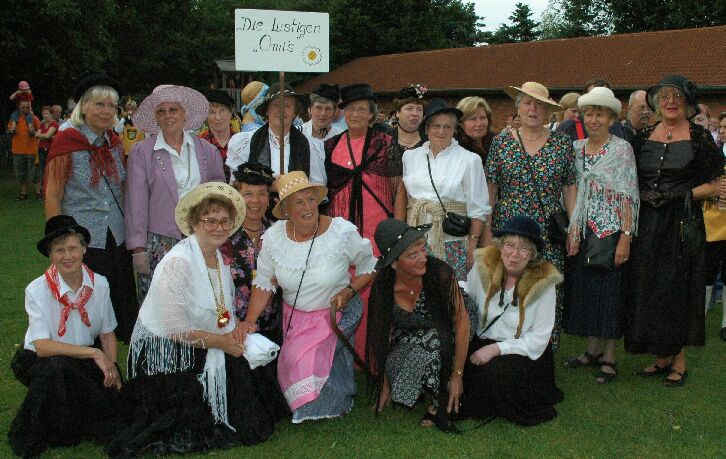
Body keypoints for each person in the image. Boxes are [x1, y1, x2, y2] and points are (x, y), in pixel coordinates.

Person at [106, 182, 283, 457]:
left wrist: (235, 330)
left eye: (225, 221)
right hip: (169, 350)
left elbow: (220, 310)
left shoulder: (218, 259)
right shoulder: (178, 262)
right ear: (193, 223)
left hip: (204, 337)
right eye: (210, 221)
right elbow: (174, 328)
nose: (218, 228)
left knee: (249, 366)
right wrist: (221, 342)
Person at [238, 171, 377, 423]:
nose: (307, 207)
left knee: (310, 359)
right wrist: (250, 320)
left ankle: (334, 402)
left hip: (336, 312)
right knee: (291, 363)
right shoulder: (274, 237)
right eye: (299, 202)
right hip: (296, 317)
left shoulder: (341, 231)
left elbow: (369, 266)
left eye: (311, 200)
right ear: (285, 209)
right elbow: (264, 282)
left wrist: (348, 291)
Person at [625, 74, 725, 386]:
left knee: (677, 290)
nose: (670, 102)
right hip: (647, 223)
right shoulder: (643, 136)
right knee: (650, 287)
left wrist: (683, 195)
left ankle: (678, 362)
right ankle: (660, 358)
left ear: (687, 103)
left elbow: (716, 184)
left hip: (682, 224)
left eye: (677, 97)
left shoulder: (699, 137)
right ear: (656, 103)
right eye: (665, 97)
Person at [8, 215, 122, 458]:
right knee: (57, 369)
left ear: (84, 249)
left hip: (83, 359)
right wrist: (94, 353)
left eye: (73, 248)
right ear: (50, 255)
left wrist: (111, 367)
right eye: (59, 250)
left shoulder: (101, 284)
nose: (67, 256)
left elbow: (107, 333)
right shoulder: (36, 290)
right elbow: (42, 347)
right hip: (45, 361)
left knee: (113, 404)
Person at [44, 72, 138, 342]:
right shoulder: (66, 143)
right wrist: (58, 240)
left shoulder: (115, 144)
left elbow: (123, 190)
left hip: (116, 236)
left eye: (111, 106)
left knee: (121, 303)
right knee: (88, 305)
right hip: (82, 236)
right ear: (83, 107)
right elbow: (53, 195)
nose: (106, 111)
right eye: (99, 104)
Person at [485, 81, 577, 353]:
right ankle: (504, 348)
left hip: (547, 232)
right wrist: (487, 229)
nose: (533, 109)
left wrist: (573, 227)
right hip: (508, 230)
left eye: (539, 104)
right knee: (507, 288)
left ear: (547, 111)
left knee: (545, 289)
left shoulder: (561, 143)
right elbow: (491, 188)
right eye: (527, 103)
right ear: (518, 108)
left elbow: (569, 186)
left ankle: (543, 352)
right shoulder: (501, 142)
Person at [562, 87, 640, 383]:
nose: (594, 120)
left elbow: (628, 195)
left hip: (610, 231)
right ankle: (591, 350)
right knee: (586, 291)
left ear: (611, 119)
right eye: (589, 114)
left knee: (610, 295)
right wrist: (573, 228)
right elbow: (570, 189)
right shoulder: (576, 148)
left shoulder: (621, 149)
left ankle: (609, 356)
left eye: (600, 114)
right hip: (583, 230)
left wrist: (626, 237)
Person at [125, 84, 226, 304]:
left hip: (201, 238)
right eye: (161, 111)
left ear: (184, 113)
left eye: (173, 109)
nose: (168, 115)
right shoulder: (142, 152)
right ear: (155, 117)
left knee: (200, 303)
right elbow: (136, 203)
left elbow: (219, 195)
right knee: (162, 307)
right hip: (159, 242)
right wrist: (138, 249)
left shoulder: (207, 151)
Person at [367, 219, 470, 432]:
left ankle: (439, 403)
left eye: (423, 249)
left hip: (449, 327)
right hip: (410, 334)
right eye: (413, 255)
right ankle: (423, 383)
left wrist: (457, 376)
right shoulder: (383, 286)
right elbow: (379, 335)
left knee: (436, 341)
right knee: (405, 360)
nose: (423, 258)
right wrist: (384, 384)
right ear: (394, 263)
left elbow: (461, 323)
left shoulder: (440, 272)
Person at [462, 215, 564, 425]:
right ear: (500, 247)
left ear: (532, 254)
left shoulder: (544, 283)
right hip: (483, 340)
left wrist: (496, 349)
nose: (515, 254)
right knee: (461, 369)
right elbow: (467, 299)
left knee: (496, 374)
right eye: (509, 245)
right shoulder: (482, 266)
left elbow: (539, 338)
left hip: (523, 350)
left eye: (523, 248)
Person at [324, 83, 401, 359]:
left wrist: (398, 229)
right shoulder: (331, 145)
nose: (355, 114)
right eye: (350, 109)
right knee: (344, 282)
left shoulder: (385, 144)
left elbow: (398, 187)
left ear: (371, 114)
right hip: (343, 228)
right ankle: (343, 352)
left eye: (361, 109)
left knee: (374, 286)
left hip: (376, 225)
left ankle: (370, 353)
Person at [402, 98, 490, 281]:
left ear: (455, 130)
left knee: (451, 293)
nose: (441, 131)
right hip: (415, 243)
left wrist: (472, 247)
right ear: (426, 128)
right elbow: (405, 199)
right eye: (436, 126)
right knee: (418, 294)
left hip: (452, 243)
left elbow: (478, 208)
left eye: (447, 127)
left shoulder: (470, 160)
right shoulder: (409, 157)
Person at [226, 83, 326, 186]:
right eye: (276, 105)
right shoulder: (246, 142)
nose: (281, 110)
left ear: (294, 112)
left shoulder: (309, 145)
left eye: (287, 106)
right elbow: (237, 185)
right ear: (267, 111)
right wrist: (269, 185)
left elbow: (317, 185)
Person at [226, 162, 279, 338]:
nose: (255, 200)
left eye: (262, 193)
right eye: (248, 194)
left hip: (271, 328)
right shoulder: (224, 235)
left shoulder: (278, 233)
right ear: (236, 197)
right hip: (232, 329)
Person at [556, 79, 629, 141]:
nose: (598, 104)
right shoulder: (568, 127)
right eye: (593, 97)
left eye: (604, 98)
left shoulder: (619, 128)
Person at [199, 89, 240, 182]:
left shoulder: (242, 142)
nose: (218, 117)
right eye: (212, 112)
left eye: (222, 111)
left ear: (230, 112)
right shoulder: (199, 144)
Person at [9, 99, 41, 200]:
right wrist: (11, 130)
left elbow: (40, 131)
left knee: (35, 173)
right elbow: (9, 130)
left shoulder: (34, 118)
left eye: (27, 107)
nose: (25, 109)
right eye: (23, 107)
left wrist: (33, 132)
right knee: (20, 173)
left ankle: (38, 193)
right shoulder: (14, 118)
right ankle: (24, 194)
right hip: (17, 150)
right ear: (19, 107)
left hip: (32, 150)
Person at [390, 84, 428, 160]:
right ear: (397, 113)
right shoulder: (384, 140)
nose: (415, 114)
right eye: (409, 108)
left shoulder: (430, 141)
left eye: (419, 109)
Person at [455, 96, 495, 167]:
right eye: (473, 119)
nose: (479, 123)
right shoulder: (455, 148)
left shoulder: (497, 141)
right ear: (461, 123)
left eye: (483, 118)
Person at [34, 106, 59, 196]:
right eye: (43, 113)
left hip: (51, 150)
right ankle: (42, 191)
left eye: (47, 113)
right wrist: (46, 136)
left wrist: (43, 136)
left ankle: (51, 191)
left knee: (51, 170)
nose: (45, 115)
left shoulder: (54, 124)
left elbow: (47, 135)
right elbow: (37, 135)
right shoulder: (42, 124)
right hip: (41, 150)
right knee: (42, 170)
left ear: (51, 114)